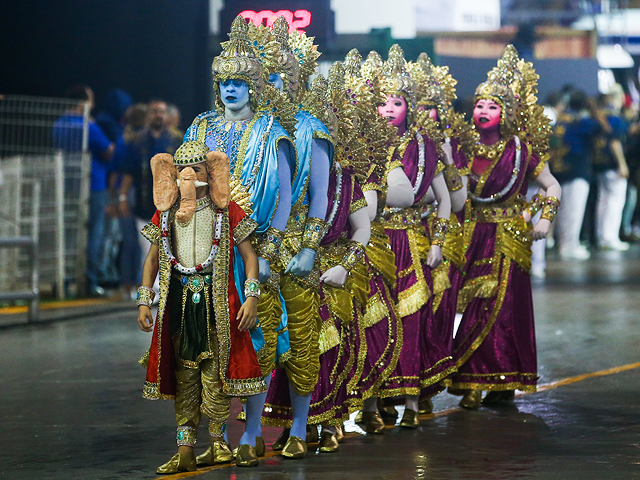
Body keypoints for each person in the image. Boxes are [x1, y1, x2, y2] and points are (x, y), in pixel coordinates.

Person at [184, 15, 296, 467]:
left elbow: (285, 196)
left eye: (239, 82)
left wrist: (271, 250)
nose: (231, 90)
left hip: (253, 251)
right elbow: (182, 185)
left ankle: (252, 431)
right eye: (224, 82)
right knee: (201, 344)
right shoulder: (200, 126)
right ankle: (212, 437)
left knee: (255, 341)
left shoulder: (271, 131)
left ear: (254, 86)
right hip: (203, 249)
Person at [137, 141, 265, 474]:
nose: (189, 176)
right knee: (183, 374)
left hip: (218, 303)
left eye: (197, 170)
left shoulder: (227, 211)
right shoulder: (165, 214)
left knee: (216, 373)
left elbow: (250, 257)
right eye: (182, 171)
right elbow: (152, 258)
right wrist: (143, 299)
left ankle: (218, 444)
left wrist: (252, 296)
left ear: (211, 172)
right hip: (178, 303)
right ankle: (185, 449)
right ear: (173, 174)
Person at [451, 46, 562, 409]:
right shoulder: (462, 148)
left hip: (509, 238)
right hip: (470, 234)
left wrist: (545, 216)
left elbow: (552, 185)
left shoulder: (520, 150)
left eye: (492, 106)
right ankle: (467, 379)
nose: (483, 111)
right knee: (466, 304)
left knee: (502, 306)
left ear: (506, 113)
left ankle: (500, 378)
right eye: (480, 104)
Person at [248, 19, 333, 458]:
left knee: (301, 339)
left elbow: (320, 196)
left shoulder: (310, 128)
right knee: (258, 338)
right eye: (269, 75)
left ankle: (300, 428)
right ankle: (252, 430)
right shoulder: (253, 129)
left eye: (286, 75)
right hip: (253, 248)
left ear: (301, 80)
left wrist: (309, 247)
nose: (277, 82)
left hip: (297, 247)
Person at [368, 45, 452, 429]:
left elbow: (446, 200)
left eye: (397, 102)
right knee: (372, 322)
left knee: (412, 320)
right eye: (383, 101)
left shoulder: (425, 147)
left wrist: (437, 243)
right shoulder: (364, 143)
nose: (388, 109)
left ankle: (413, 404)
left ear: (410, 107)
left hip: (409, 242)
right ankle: (371, 405)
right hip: (371, 240)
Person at [53, 84, 114, 296]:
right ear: (82, 104)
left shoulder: (58, 124)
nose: (93, 105)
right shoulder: (89, 126)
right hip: (94, 185)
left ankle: (67, 279)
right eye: (90, 100)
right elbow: (109, 152)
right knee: (94, 233)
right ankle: (90, 281)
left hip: (68, 184)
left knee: (69, 233)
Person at [116, 99, 183, 283]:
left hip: (170, 205)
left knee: (169, 248)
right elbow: (128, 172)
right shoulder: (136, 141)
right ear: (148, 115)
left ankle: (165, 289)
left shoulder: (177, 139)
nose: (158, 115)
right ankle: (153, 291)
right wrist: (122, 198)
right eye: (154, 111)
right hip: (144, 205)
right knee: (147, 249)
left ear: (167, 115)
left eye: (162, 111)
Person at [551, 90, 609, 260]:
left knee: (562, 211)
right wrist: (594, 109)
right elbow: (605, 128)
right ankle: (569, 246)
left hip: (559, 168)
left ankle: (565, 244)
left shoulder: (561, 118)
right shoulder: (583, 121)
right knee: (573, 210)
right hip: (577, 168)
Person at [593, 87, 630, 251]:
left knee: (603, 201)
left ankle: (602, 236)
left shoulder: (600, 116)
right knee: (615, 202)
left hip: (599, 163)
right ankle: (610, 237)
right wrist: (622, 163)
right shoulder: (615, 118)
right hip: (613, 165)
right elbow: (615, 142)